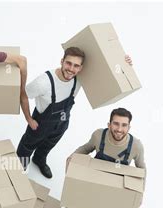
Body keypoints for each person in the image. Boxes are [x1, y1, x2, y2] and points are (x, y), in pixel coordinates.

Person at [16, 47, 133, 179]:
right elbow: (23, 95)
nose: (71, 69)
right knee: (27, 146)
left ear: (81, 68)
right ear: (62, 61)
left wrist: (123, 64)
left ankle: (39, 159)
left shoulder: (80, 79)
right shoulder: (43, 82)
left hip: (62, 124)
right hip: (40, 124)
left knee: (48, 145)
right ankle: (20, 168)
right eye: (68, 63)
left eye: (76, 65)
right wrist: (29, 119)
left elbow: (106, 77)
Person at [60, 107, 146, 208]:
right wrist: (72, 156)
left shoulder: (136, 146)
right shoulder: (99, 135)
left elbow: (141, 169)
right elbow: (86, 148)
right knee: (82, 199)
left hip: (114, 184)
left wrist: (140, 194)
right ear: (109, 124)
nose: (119, 129)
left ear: (129, 127)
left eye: (124, 125)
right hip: (93, 176)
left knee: (103, 205)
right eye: (116, 123)